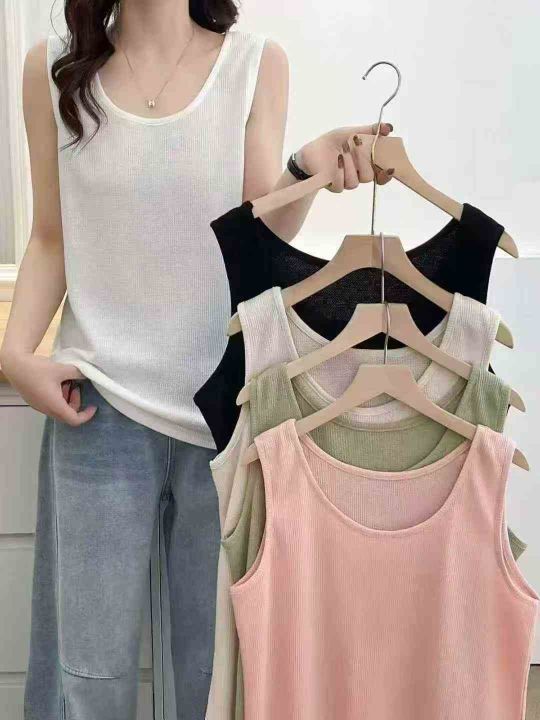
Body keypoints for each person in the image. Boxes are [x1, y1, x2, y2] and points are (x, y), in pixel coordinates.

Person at [0, 0, 393, 718]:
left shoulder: (254, 65)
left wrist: (306, 166)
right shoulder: (51, 71)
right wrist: (13, 356)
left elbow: (254, 236)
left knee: (215, 677)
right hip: (96, 410)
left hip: (224, 415)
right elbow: (51, 237)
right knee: (85, 677)